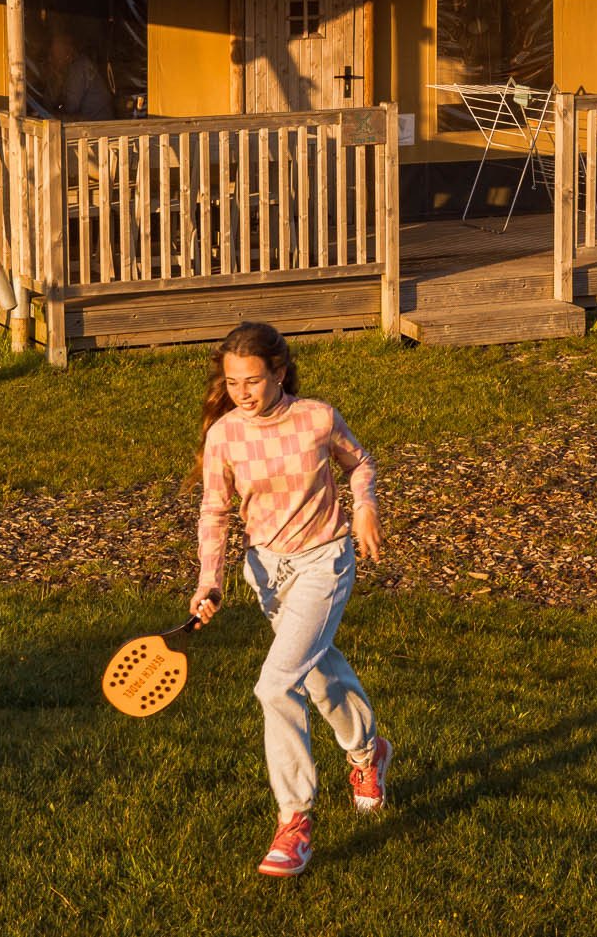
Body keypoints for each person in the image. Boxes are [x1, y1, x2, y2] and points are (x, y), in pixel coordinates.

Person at [190, 321, 389, 878]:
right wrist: (210, 580)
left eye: (253, 381)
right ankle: (368, 752)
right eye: (233, 383)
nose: (242, 393)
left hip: (325, 562)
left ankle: (294, 821)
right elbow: (214, 511)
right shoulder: (224, 435)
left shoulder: (317, 418)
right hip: (267, 573)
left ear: (279, 373)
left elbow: (360, 462)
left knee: (276, 683)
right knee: (318, 672)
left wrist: (365, 507)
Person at [43, 30, 112, 118]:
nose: (54, 53)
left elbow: (70, 106)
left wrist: (57, 85)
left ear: (68, 49)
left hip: (100, 123)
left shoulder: (80, 67)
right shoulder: (62, 71)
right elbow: (47, 104)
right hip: (87, 123)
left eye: (58, 47)